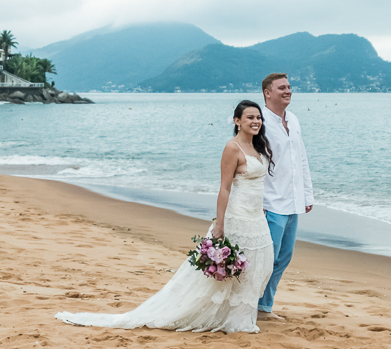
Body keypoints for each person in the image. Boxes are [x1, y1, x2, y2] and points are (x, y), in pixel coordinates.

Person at [56, 101, 275, 333]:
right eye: (250, 117)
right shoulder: (232, 148)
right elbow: (225, 189)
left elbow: (258, 185)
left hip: (256, 217)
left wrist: (262, 207)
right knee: (233, 270)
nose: (256, 121)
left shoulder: (259, 148)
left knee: (258, 267)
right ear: (237, 121)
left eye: (258, 118)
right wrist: (219, 224)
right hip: (237, 216)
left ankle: (241, 317)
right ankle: (232, 320)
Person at [257, 73, 313, 319]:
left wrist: (306, 195)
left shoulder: (294, 119)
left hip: (293, 202)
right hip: (271, 202)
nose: (288, 91)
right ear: (267, 93)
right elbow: (254, 163)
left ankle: (263, 305)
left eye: (289, 86)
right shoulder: (260, 122)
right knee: (266, 259)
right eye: (282, 87)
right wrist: (256, 202)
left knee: (284, 257)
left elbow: (301, 159)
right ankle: (255, 306)